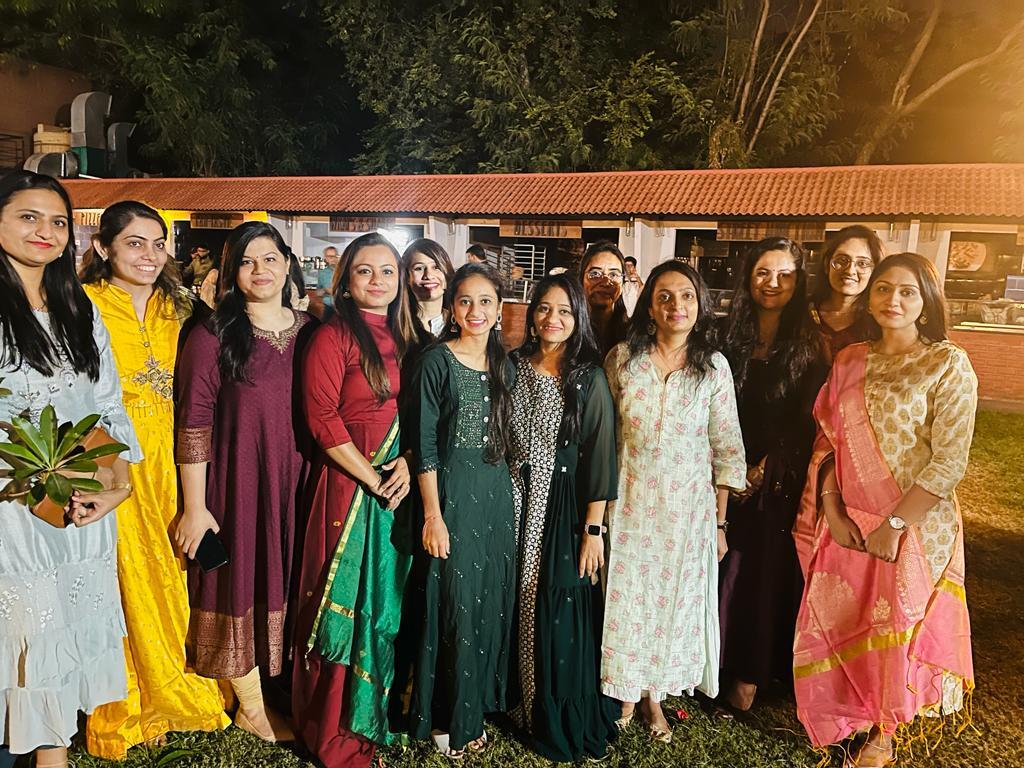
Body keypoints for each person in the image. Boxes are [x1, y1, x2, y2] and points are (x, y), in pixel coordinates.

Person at [792, 253, 978, 767]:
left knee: (897, 624)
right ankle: (850, 711)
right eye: (883, 288)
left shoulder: (947, 363)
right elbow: (828, 442)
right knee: (848, 615)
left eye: (907, 291)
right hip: (851, 519)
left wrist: (895, 524)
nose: (893, 299)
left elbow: (949, 461)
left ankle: (884, 733)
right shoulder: (849, 360)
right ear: (869, 297)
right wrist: (833, 510)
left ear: (927, 302)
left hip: (914, 526)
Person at [0, 171, 142, 767]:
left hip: (83, 504)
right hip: (15, 507)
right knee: (30, 631)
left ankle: (52, 756)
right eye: (28, 216)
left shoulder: (78, 308)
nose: (46, 231)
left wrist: (117, 485)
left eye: (58, 221)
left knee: (64, 632)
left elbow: (105, 404)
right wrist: (33, 478)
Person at [80, 202, 229, 758]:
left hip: (181, 459)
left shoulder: (182, 308)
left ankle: (184, 689)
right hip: (113, 461)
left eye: (158, 243)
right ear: (104, 248)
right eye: (135, 243)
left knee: (177, 571)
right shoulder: (81, 306)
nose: (149, 255)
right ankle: (128, 705)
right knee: (124, 580)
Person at [174, 221, 315, 742]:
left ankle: (286, 689)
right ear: (231, 271)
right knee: (241, 581)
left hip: (302, 480)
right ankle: (251, 707)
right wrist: (195, 506)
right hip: (239, 485)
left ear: (287, 264)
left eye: (270, 258)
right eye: (247, 261)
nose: (261, 270)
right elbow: (193, 421)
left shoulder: (313, 331)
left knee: (294, 577)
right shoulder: (212, 335)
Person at [292, 233, 427, 768]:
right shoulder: (334, 336)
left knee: (386, 604)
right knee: (339, 603)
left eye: (388, 271)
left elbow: (425, 414)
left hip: (397, 487)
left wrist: (409, 462)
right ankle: (332, 731)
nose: (377, 280)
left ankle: (375, 718)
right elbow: (321, 417)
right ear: (345, 281)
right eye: (365, 271)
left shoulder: (412, 339)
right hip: (348, 489)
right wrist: (372, 477)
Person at [600, 260, 745, 743]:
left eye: (686, 296)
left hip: (687, 513)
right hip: (629, 502)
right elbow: (604, 435)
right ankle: (624, 692)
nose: (675, 305)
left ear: (700, 304)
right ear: (649, 306)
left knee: (671, 604)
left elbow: (726, 448)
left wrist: (719, 524)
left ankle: (655, 696)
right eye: (664, 296)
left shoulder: (714, 367)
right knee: (627, 600)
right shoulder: (623, 359)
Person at [509, 275, 619, 761]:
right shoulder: (512, 366)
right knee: (517, 599)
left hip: (562, 508)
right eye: (544, 309)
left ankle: (556, 715)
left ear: (578, 320)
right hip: (512, 501)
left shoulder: (587, 377)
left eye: (565, 312)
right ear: (532, 315)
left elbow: (600, 456)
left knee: (557, 604)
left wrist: (592, 530)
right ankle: (519, 701)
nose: (552, 319)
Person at [408, 263, 517, 758]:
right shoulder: (436, 361)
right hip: (450, 497)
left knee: (486, 602)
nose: (475, 310)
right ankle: (445, 718)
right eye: (465, 301)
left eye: (485, 301)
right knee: (452, 603)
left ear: (499, 309)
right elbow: (425, 444)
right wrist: (433, 515)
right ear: (452, 308)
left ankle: (475, 707)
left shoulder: (504, 364)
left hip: (495, 499)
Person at [715, 238, 827, 714]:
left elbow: (807, 418)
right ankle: (712, 664)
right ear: (748, 277)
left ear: (798, 282)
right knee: (718, 570)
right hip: (721, 469)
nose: (772, 283)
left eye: (784, 275)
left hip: (776, 476)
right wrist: (729, 468)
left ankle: (748, 677)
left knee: (758, 574)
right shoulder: (725, 335)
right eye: (763, 272)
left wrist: (761, 470)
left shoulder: (809, 344)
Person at [809, 226, 885, 363]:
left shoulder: (880, 321)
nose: (850, 271)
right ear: (827, 265)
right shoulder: (803, 314)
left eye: (862, 263)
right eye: (842, 260)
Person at [580, 241, 629, 357]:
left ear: (622, 283)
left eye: (613, 275)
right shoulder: (568, 331)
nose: (605, 282)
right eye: (595, 274)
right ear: (581, 279)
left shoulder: (632, 335)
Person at [403, 238, 454, 336]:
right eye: (419, 268)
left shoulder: (460, 323)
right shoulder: (397, 325)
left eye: (436, 267)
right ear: (407, 277)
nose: (429, 275)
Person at [317, 245, 339, 312]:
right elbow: (318, 292)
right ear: (325, 258)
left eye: (335, 256)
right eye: (330, 256)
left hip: (342, 306)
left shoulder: (344, 271)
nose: (333, 259)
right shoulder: (323, 273)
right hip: (328, 306)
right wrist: (324, 290)